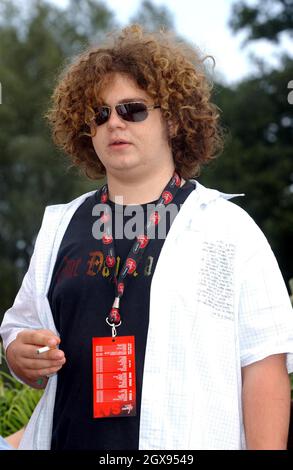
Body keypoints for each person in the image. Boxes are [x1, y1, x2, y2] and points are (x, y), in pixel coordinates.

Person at [0, 24, 293, 451]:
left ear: (172, 119)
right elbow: (21, 329)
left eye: (131, 110)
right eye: (98, 114)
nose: (113, 123)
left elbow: (263, 364)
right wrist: (20, 354)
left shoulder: (228, 230)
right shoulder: (59, 226)